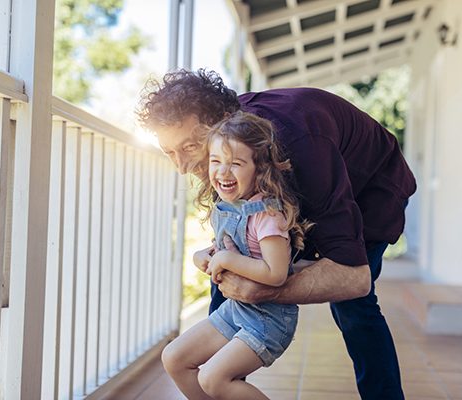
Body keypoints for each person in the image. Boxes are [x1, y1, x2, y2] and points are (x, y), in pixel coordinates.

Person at [138, 69, 417, 399]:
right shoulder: (227, 153)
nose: (182, 167)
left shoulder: (301, 143)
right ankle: (220, 386)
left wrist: (265, 290)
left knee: (354, 308)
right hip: (303, 176)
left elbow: (354, 278)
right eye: (170, 151)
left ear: (226, 122)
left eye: (190, 146)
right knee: (231, 277)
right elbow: (235, 247)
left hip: (370, 186)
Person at [161, 112, 310, 399]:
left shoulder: (267, 215)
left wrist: (227, 261)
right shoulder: (229, 206)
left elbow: (276, 274)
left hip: (269, 320)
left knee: (213, 378)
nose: (223, 172)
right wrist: (203, 255)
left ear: (260, 168)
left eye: (236, 163)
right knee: (174, 358)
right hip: (238, 310)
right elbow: (225, 247)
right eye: (216, 161)